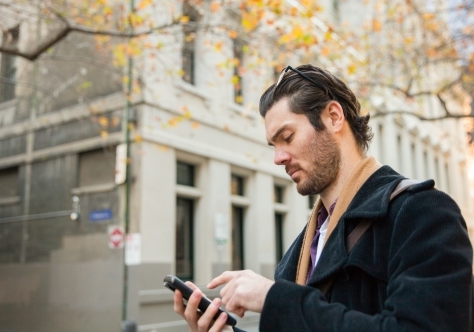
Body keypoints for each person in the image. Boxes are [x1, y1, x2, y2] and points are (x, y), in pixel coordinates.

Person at [173, 64, 473, 332]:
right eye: (273, 145)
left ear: (333, 117)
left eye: (287, 137)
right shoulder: (300, 250)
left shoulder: (423, 211)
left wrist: (273, 298)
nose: (278, 158)